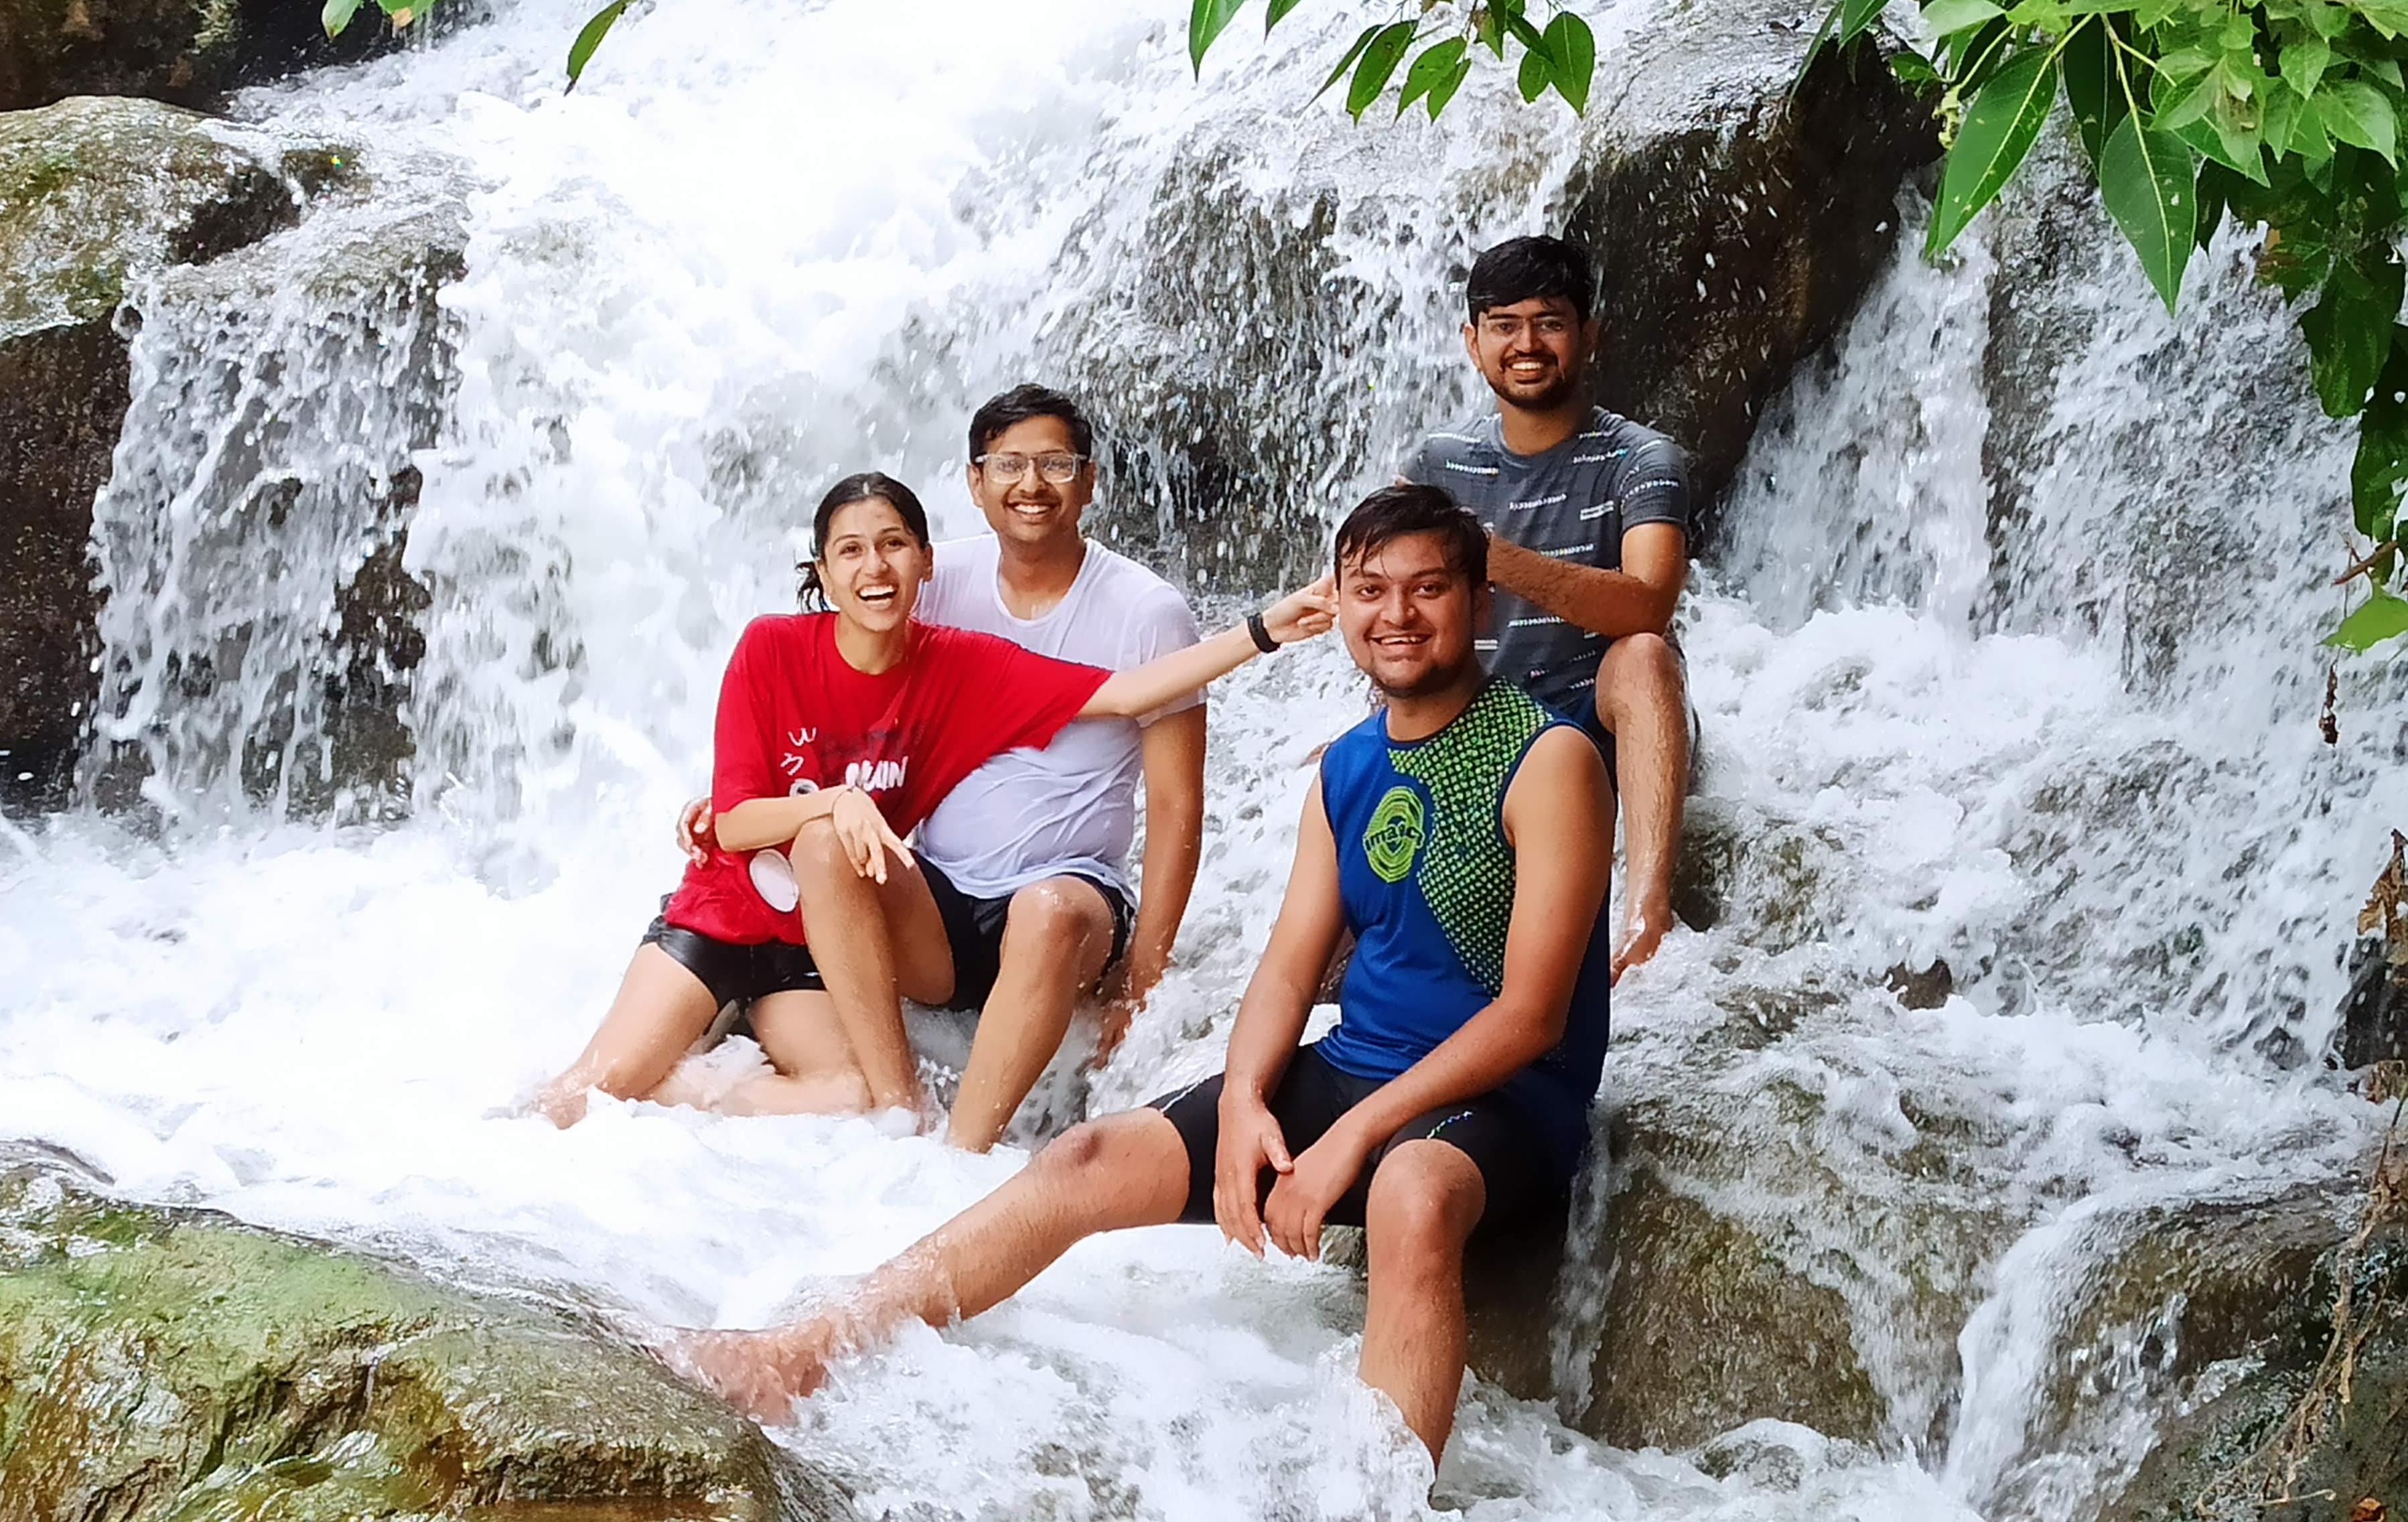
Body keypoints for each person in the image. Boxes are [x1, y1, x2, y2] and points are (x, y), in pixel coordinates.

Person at [674, 485, 1615, 1468]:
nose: (1396, 615)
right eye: (1369, 589)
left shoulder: (1546, 758)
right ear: (1337, 603)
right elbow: (1286, 973)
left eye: (1428, 589)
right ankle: (806, 1351)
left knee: (1407, 1195)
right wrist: (1249, 1100)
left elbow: (1528, 1016)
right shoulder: (1345, 767)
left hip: (1498, 1103)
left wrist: (1352, 1138)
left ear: (1481, 605)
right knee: (1086, 1159)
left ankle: (1372, 1499)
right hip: (1355, 1071)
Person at [531, 471, 1334, 1129]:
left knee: (847, 1101)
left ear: (925, 561)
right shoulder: (771, 647)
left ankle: (688, 1089)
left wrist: (1264, 630)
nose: (873, 568)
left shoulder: (956, 666)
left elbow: (1126, 694)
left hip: (816, 951)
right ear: (820, 570)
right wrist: (834, 804)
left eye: (892, 546)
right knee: (578, 1099)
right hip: (721, 919)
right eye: (849, 551)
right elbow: (737, 820)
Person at [679, 385, 1207, 1152]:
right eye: (1008, 465)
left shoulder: (1147, 611)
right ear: (975, 482)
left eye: (1056, 464)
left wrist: (1142, 978)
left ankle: (960, 1161)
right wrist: (746, 795)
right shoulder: (931, 577)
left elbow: (1176, 803)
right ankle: (900, 1115)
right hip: (940, 897)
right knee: (825, 837)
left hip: (1071, 900)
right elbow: (832, 681)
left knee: (1048, 909)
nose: (1031, 484)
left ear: (1089, 482)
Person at [1404, 234, 1693, 979]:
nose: (1525, 344)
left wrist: (1490, 554)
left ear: (1588, 335)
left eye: (1548, 321)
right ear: (1472, 343)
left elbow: (1648, 607)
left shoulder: (1643, 459)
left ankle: (1647, 910)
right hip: (1488, 722)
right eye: (1503, 324)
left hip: (1605, 718)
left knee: (1643, 654)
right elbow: (1390, 602)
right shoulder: (1436, 463)